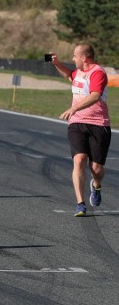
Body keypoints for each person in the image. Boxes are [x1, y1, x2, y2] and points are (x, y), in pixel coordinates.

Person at [49, 44, 111, 217]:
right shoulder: (78, 73)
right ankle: (80, 204)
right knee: (79, 160)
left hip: (99, 123)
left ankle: (96, 185)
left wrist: (74, 108)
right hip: (76, 123)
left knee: (96, 168)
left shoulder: (98, 73)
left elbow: (95, 95)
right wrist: (57, 63)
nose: (73, 58)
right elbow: (70, 75)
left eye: (75, 56)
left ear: (84, 57)